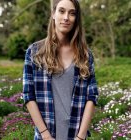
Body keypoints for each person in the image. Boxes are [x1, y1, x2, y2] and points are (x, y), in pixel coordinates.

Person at [23, 0, 99, 140]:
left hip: (76, 135)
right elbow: (29, 95)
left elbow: (92, 97)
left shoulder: (85, 55)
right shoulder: (34, 52)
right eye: (62, 11)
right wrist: (45, 135)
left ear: (76, 19)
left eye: (72, 13)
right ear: (53, 14)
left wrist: (81, 136)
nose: (66, 17)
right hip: (46, 135)